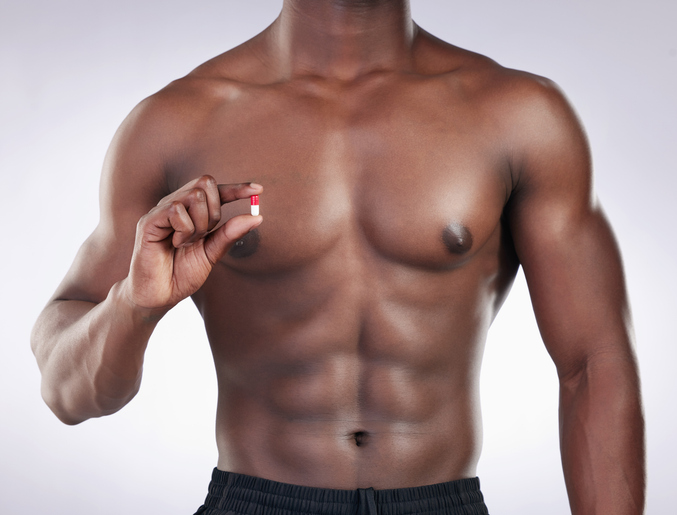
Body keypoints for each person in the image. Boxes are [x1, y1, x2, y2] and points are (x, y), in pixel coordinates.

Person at [31, 1, 645, 513]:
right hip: (258, 502)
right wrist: (132, 306)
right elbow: (69, 394)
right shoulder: (176, 124)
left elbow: (594, 365)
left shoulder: (517, 117)